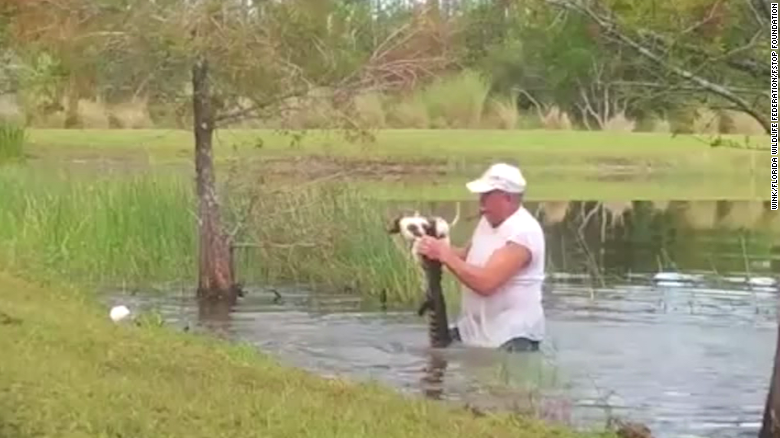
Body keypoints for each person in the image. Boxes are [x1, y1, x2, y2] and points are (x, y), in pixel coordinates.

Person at [415, 162, 546, 352]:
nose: (480, 201)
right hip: (474, 332)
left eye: (486, 195)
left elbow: (486, 283)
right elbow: (467, 256)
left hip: (512, 338)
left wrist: (444, 254)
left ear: (507, 198)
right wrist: (434, 248)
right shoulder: (488, 221)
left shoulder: (523, 233)